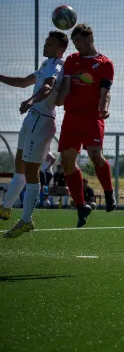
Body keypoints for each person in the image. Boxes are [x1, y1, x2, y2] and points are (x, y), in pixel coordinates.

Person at [0, 31, 68, 238]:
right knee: (19, 166)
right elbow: (23, 82)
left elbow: (48, 87)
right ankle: (5, 207)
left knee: (31, 171)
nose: (45, 46)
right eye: (45, 43)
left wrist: (31, 101)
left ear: (60, 49)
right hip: (32, 118)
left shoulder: (57, 65)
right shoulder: (45, 64)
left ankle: (26, 220)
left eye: (49, 44)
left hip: (42, 120)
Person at [55, 24, 116, 228]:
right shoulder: (72, 60)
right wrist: (61, 97)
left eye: (79, 41)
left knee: (95, 155)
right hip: (72, 117)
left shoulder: (105, 63)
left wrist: (104, 107)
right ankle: (81, 206)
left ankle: (109, 193)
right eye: (74, 43)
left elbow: (105, 91)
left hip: (92, 117)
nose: (76, 46)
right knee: (67, 162)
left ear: (89, 37)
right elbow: (67, 84)